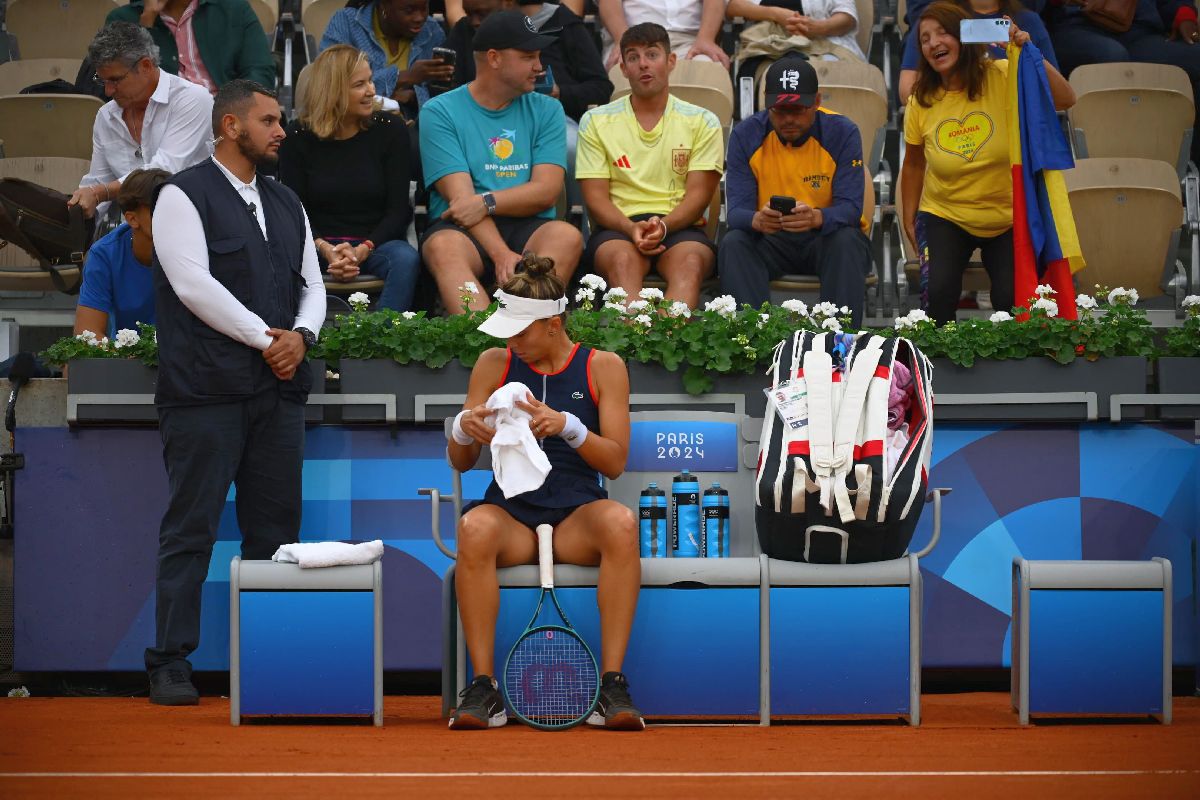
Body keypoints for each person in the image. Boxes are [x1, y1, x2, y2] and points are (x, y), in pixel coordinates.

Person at [145, 80, 326, 705]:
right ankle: (170, 661)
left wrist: (301, 336)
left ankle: (269, 662)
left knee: (275, 533)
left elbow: (313, 285)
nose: (281, 131)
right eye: (268, 120)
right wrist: (267, 339)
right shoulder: (180, 194)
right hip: (204, 393)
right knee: (191, 528)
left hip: (279, 392)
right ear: (230, 126)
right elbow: (192, 285)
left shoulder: (287, 200)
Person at [447, 253, 643, 731]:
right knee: (472, 528)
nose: (511, 342)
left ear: (553, 325)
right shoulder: (493, 363)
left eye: (520, 332)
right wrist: (463, 428)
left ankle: (612, 686)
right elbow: (461, 460)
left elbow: (615, 462)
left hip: (577, 517)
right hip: (510, 517)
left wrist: (569, 427)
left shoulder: (604, 366)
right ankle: (484, 687)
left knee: (621, 524)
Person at [900, 2, 1074, 325]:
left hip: (1007, 216)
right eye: (924, 39)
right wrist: (909, 218)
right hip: (946, 214)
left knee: (1013, 301)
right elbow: (912, 164)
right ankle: (937, 358)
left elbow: (1065, 98)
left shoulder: (1003, 73)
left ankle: (1005, 360)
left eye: (942, 33)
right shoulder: (919, 100)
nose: (933, 43)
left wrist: (1027, 51)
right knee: (938, 294)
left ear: (965, 36)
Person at [419, 11, 583, 312]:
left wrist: (486, 202)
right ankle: (483, 337)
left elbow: (546, 191)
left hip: (529, 224)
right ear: (494, 58)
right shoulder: (439, 111)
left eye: (538, 56)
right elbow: (461, 204)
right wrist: (500, 254)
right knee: (443, 248)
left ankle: (528, 328)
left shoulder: (548, 109)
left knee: (567, 236)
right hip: (462, 230)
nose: (539, 67)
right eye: (528, 57)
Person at [576, 23, 723, 308]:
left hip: (680, 225)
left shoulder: (703, 121)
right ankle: (636, 335)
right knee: (622, 263)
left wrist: (664, 227)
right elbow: (595, 199)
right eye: (633, 57)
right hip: (617, 227)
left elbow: (699, 196)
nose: (643, 64)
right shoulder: (595, 121)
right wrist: (630, 227)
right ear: (623, 68)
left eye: (652, 55)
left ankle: (667, 336)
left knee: (690, 265)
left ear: (671, 61)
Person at [719, 58, 872, 325]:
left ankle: (840, 340)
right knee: (734, 243)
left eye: (798, 109)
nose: (789, 119)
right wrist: (757, 219)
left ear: (817, 101)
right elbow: (736, 213)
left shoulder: (842, 131)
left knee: (847, 241)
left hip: (824, 237)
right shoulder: (746, 134)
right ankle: (751, 339)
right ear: (766, 104)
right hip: (771, 239)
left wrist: (816, 217)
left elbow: (850, 209)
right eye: (779, 110)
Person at [279, 46, 419, 312]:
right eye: (359, 84)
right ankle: (299, 329)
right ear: (333, 90)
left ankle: (382, 333)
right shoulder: (297, 136)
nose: (371, 91)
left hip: (376, 244)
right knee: (276, 257)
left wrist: (363, 249)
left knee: (405, 259)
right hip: (315, 246)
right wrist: (325, 249)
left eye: (370, 81)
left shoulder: (390, 130)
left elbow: (398, 210)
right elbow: (295, 210)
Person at [67, 22, 213, 220]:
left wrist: (100, 193)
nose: (108, 91)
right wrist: (79, 209)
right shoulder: (106, 116)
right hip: (135, 228)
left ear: (145, 66)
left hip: (196, 220)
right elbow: (97, 180)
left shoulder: (192, 99)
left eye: (115, 80)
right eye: (102, 81)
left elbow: (163, 172)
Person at [1043, 0, 1200, 162]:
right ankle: (1107, 165)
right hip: (1076, 26)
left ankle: (1189, 166)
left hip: (1142, 31)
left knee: (1195, 58)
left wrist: (1183, 14)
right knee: (1112, 57)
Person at [898, 0, 1057, 104]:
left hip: (1016, 123)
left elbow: (1055, 93)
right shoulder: (936, 21)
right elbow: (907, 92)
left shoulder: (1028, 21)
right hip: (951, 125)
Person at [74, 168, 170, 340]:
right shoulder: (104, 254)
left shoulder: (197, 245)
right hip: (124, 353)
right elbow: (87, 334)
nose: (172, 216)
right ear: (132, 219)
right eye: (158, 209)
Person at [104, 0, 276, 93]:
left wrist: (232, 107)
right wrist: (147, 24)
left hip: (224, 118)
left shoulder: (234, 9)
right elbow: (121, 86)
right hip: (159, 122)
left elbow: (261, 72)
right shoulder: (122, 19)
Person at [321, 0, 452, 119]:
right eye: (409, 10)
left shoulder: (432, 30)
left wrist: (413, 98)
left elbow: (440, 96)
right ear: (384, 5)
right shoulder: (346, 23)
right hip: (354, 124)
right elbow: (329, 84)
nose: (419, 18)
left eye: (424, 8)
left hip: (413, 127)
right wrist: (404, 77)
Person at [598, 0, 731, 69]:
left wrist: (706, 39)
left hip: (691, 42)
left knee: (709, 69)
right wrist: (623, 41)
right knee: (624, 70)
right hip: (635, 39)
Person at [726, 0, 867, 61]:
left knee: (830, 74)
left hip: (824, 43)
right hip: (769, 46)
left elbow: (847, 17)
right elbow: (732, 6)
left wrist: (818, 28)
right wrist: (775, 14)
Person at [444, 0, 583, 27]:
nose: (475, 22)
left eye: (482, 13)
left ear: (508, 3)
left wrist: (561, 91)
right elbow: (455, 12)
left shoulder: (564, 23)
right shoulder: (464, 29)